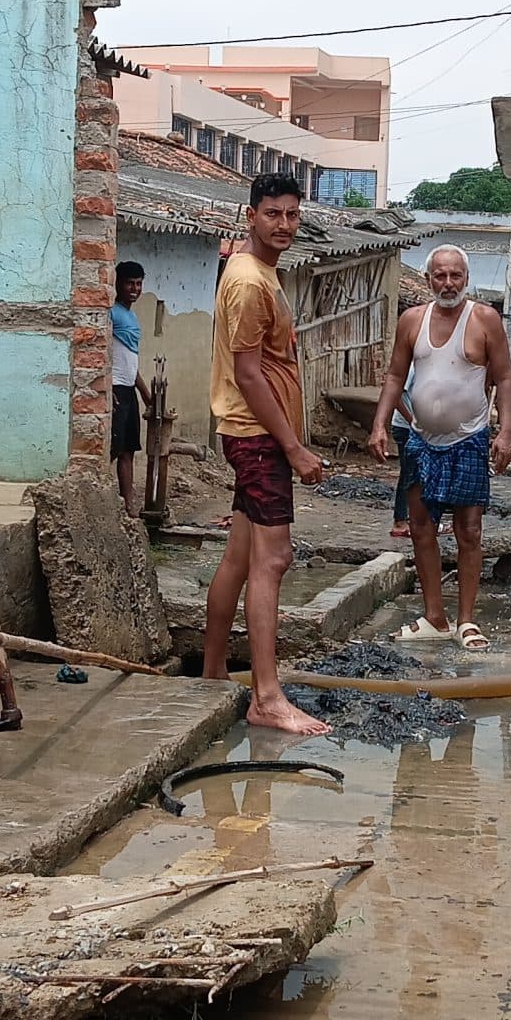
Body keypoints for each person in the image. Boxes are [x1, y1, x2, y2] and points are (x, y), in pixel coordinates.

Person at [201, 174, 332, 737]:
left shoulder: (256, 273)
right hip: (257, 435)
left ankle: (210, 676)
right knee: (272, 561)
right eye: (273, 214)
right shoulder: (250, 283)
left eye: (292, 215)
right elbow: (250, 375)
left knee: (239, 556)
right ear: (250, 215)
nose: (284, 225)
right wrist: (295, 447)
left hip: (250, 432)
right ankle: (267, 696)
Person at [368, 245, 511, 651]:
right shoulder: (412, 320)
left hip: (469, 440)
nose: (447, 283)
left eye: (454, 276)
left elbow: (503, 378)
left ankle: (466, 621)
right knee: (420, 528)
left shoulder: (484, 319)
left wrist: (505, 431)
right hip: (421, 442)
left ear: (466, 278)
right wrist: (380, 424)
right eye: (439, 276)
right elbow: (396, 376)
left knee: (469, 531)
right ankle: (434, 615)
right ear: (429, 279)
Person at [111, 260, 151, 515]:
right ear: (117, 284)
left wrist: (146, 395)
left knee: (128, 450)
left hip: (127, 390)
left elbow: (129, 361)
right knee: (111, 449)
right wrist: (106, 389)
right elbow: (103, 353)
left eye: (138, 284)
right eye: (129, 283)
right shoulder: (111, 313)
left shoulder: (132, 315)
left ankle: (129, 505)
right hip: (113, 389)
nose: (134, 289)